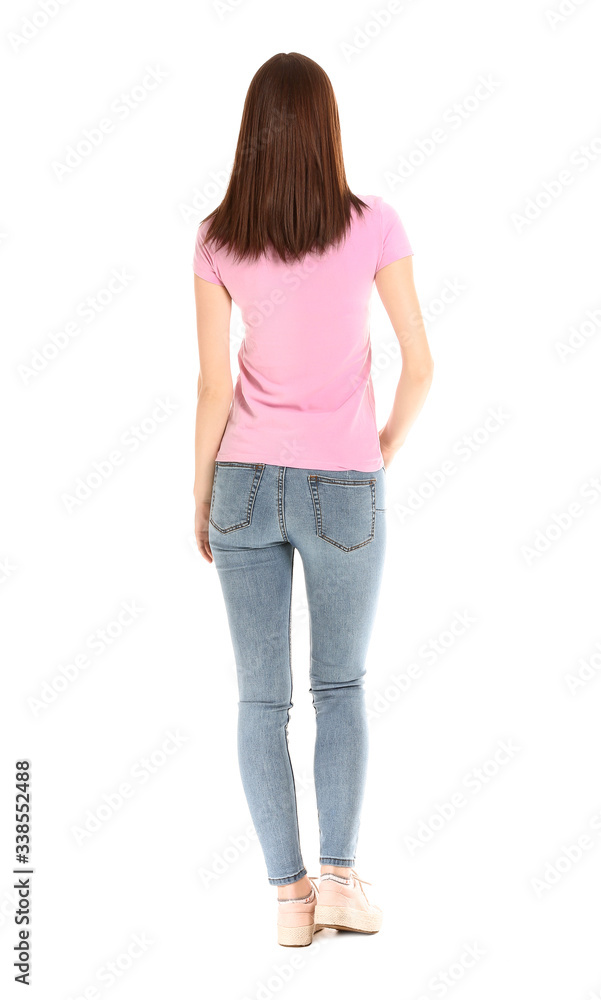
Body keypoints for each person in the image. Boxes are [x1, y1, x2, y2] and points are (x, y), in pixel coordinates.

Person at [192, 52, 433, 947]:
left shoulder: (218, 237)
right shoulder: (375, 225)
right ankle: (339, 883)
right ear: (328, 126)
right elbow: (421, 360)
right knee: (340, 687)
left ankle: (289, 904)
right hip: (344, 489)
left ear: (251, 132)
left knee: (261, 702)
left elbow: (213, 390)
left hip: (243, 484)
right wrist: (381, 450)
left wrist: (199, 494)